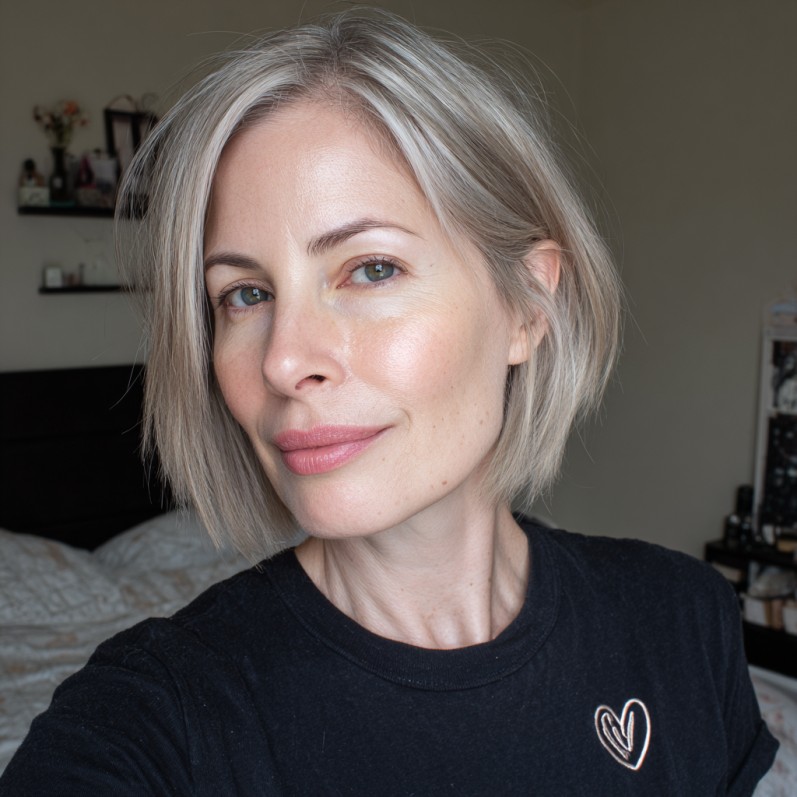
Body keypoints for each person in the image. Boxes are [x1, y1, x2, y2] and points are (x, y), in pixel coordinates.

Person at [0, 9, 777, 795]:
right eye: (245, 293)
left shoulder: (682, 618)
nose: (283, 360)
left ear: (525, 306)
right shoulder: (152, 716)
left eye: (370, 269)